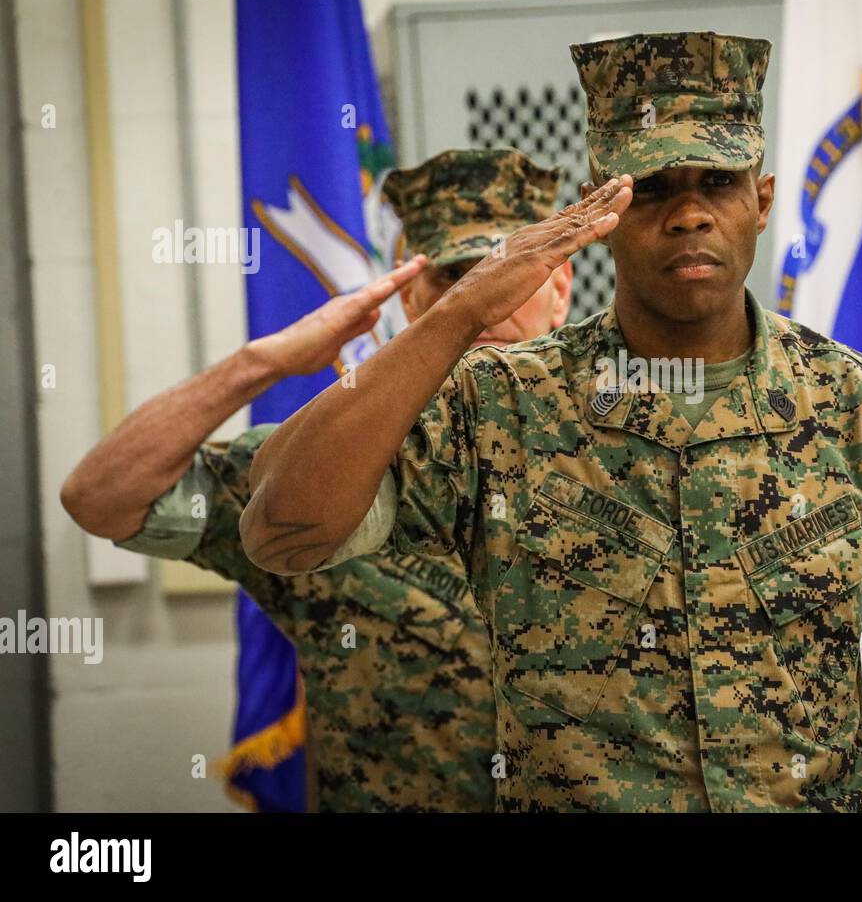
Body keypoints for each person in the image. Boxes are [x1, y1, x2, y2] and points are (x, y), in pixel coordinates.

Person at [241, 32, 862, 812]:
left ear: (763, 201)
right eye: (652, 188)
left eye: (718, 182)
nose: (689, 216)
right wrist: (465, 306)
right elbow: (283, 529)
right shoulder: (497, 407)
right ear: (598, 208)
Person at [61, 148, 571, 812]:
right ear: (409, 296)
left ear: (559, 291)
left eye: (503, 278)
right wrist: (260, 363)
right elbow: (101, 498)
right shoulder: (323, 473)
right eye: (454, 279)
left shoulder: (629, 451)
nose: (479, 306)